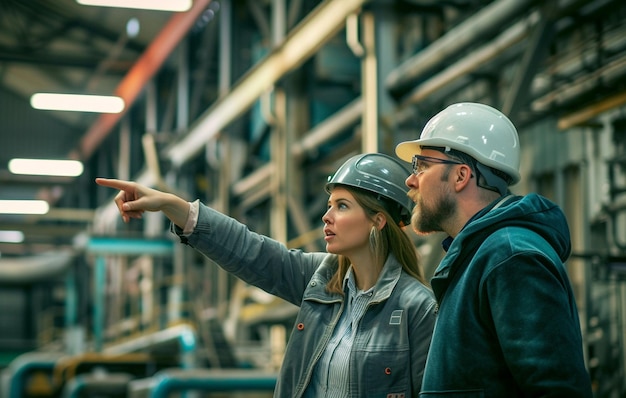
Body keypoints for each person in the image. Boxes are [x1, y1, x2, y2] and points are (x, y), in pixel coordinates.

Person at [96, 152, 438, 397]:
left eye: (342, 206)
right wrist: (173, 205)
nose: (326, 216)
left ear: (378, 220)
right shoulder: (322, 280)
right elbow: (252, 252)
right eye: (329, 204)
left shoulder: (416, 308)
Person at [395, 102, 593, 397]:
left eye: (422, 166)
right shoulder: (478, 255)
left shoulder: (511, 257)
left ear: (461, 176)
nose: (411, 180)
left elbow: (557, 389)